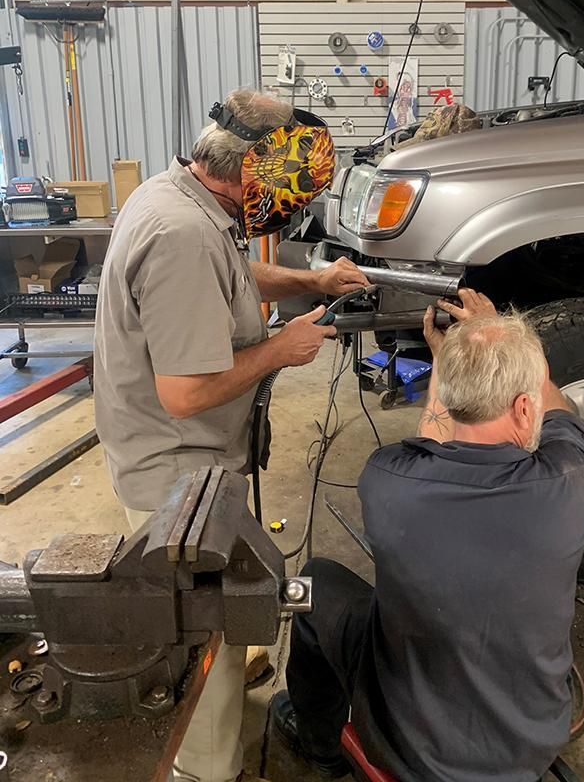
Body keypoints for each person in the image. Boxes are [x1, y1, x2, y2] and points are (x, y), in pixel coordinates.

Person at [94, 88, 369, 782]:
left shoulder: (180, 196)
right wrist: (282, 349)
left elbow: (236, 274)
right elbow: (184, 394)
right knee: (199, 643)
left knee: (217, 612)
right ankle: (208, 769)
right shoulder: (182, 235)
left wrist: (312, 278)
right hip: (176, 471)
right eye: (297, 192)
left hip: (197, 458)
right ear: (257, 173)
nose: (297, 207)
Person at [271, 290, 584, 782]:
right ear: (525, 407)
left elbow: (432, 437)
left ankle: (318, 741)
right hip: (529, 745)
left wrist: (448, 361)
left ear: (445, 397)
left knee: (312, 584)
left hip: (404, 746)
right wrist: (504, 345)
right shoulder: (568, 480)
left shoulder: (387, 481)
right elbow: (557, 409)